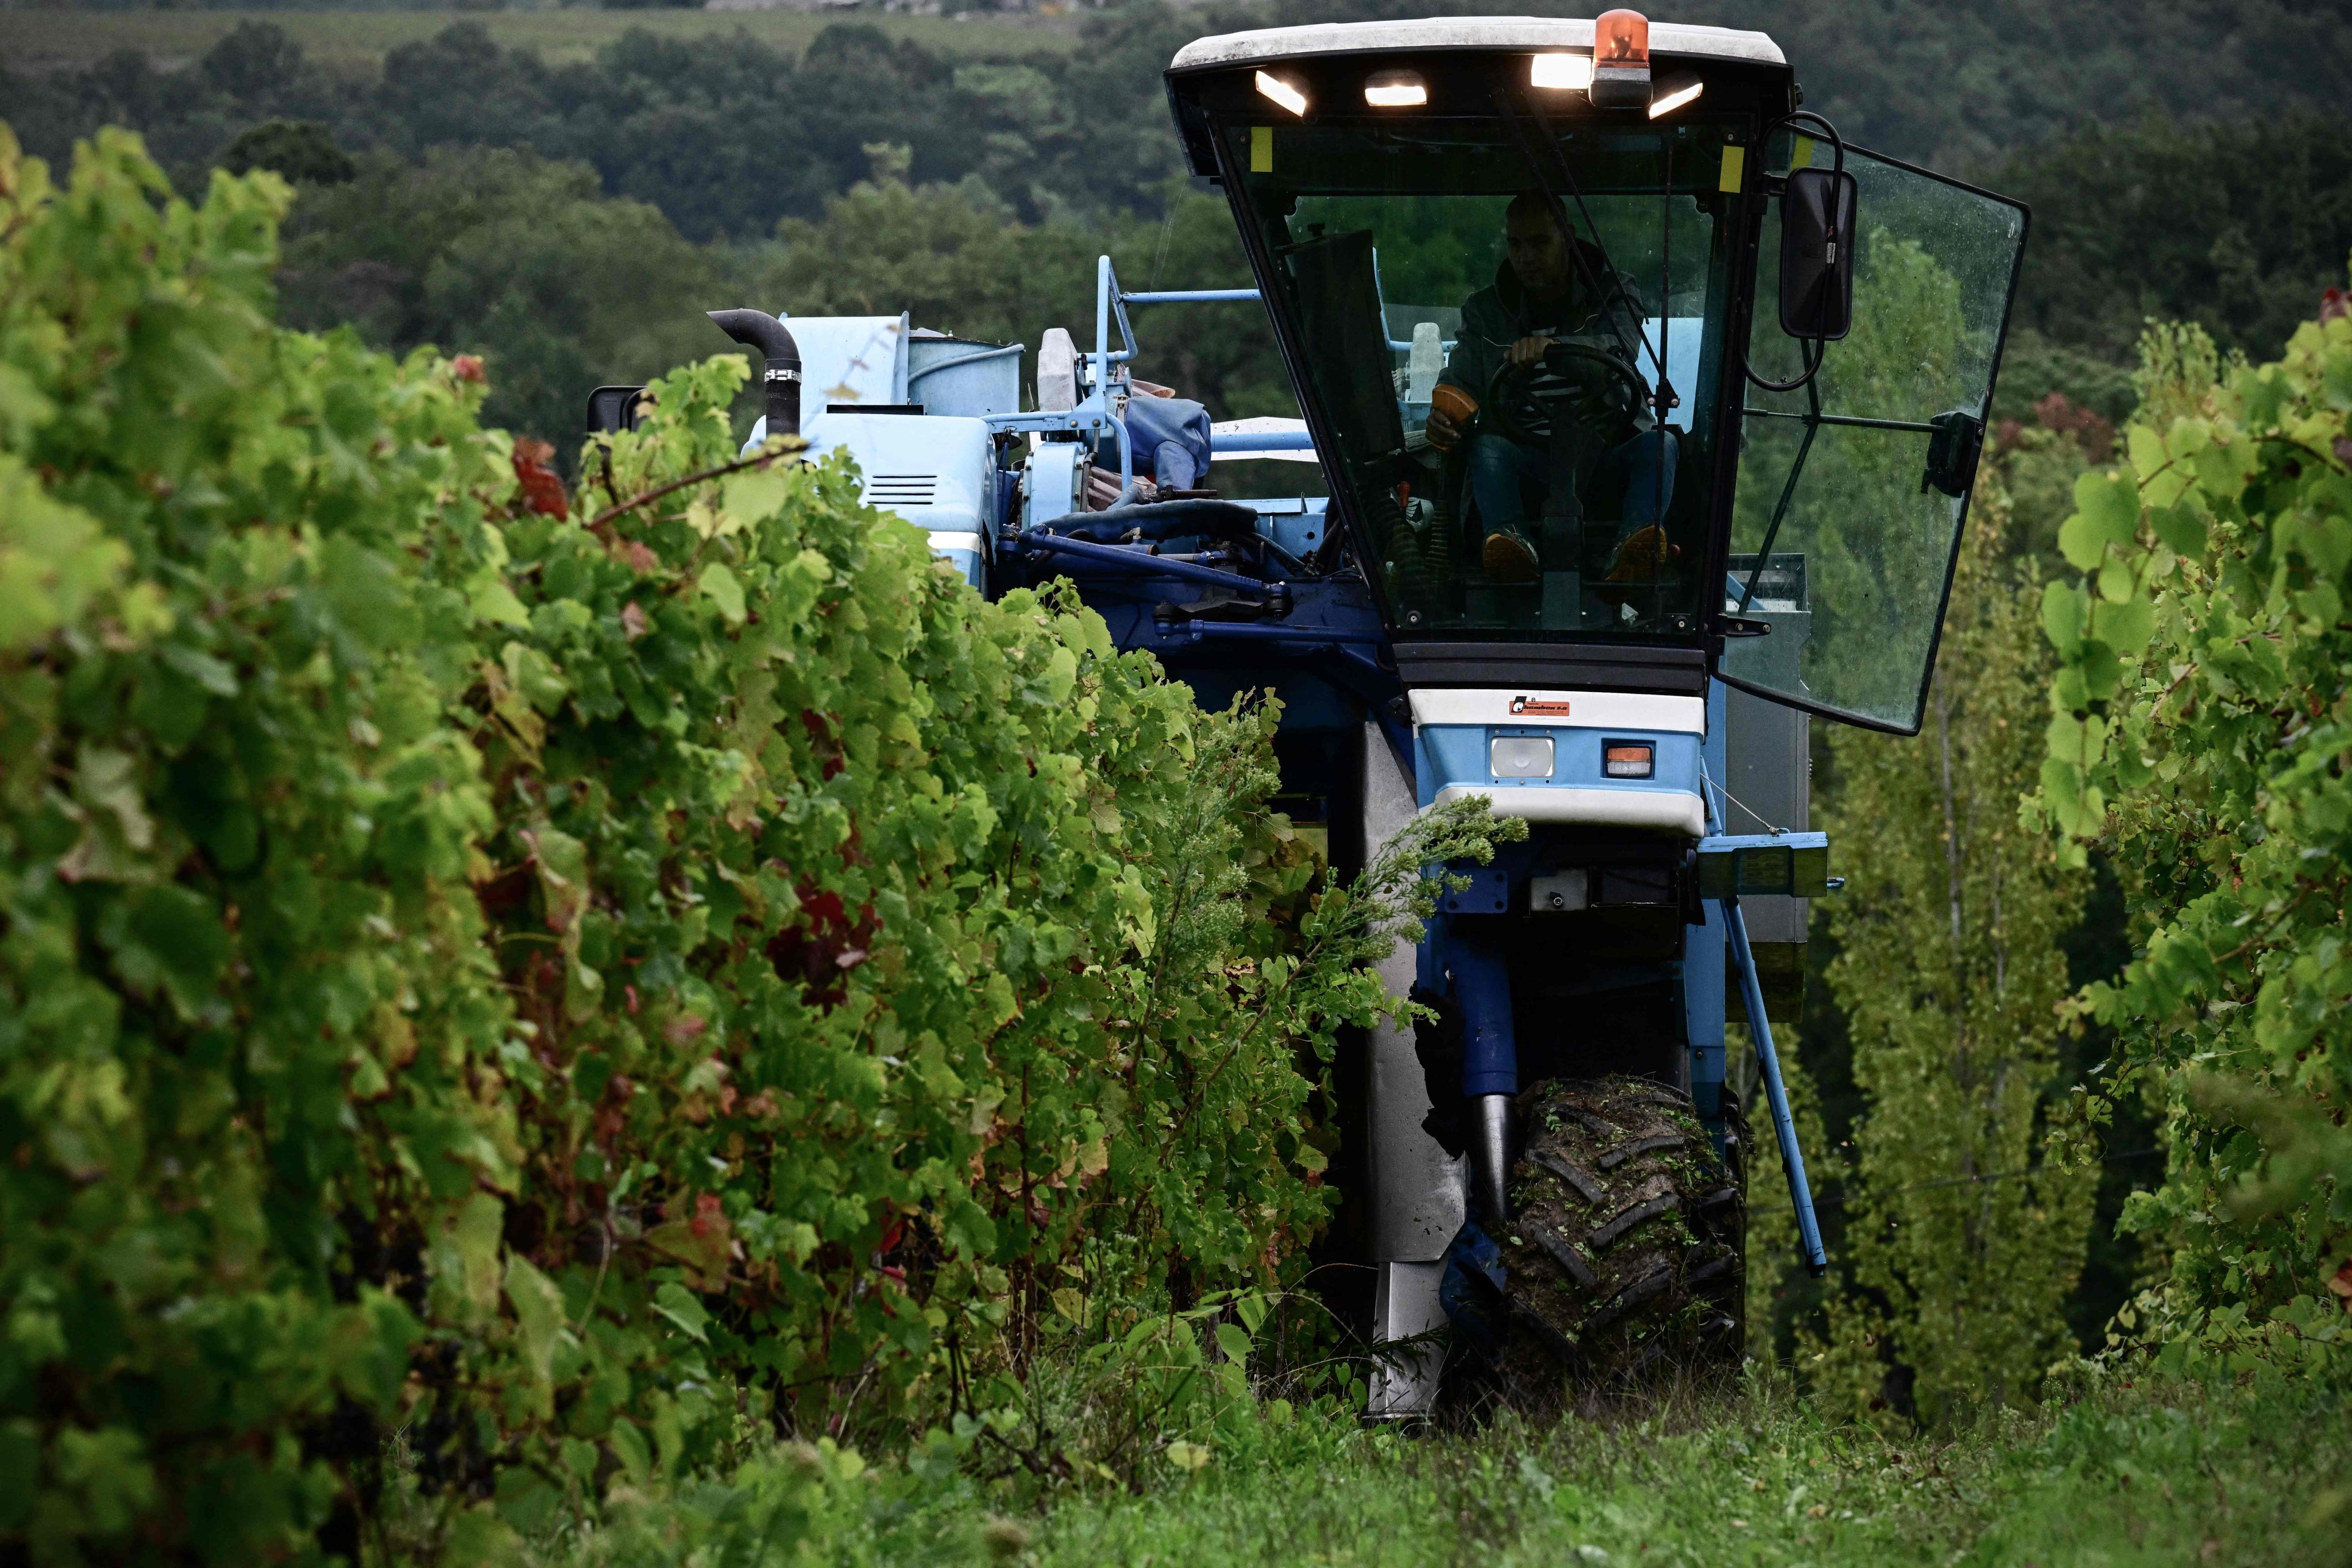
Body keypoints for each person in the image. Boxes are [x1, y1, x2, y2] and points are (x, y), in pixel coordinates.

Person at [1424, 192, 1677, 586]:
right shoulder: (1484, 312)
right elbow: (1459, 378)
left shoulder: (1612, 292)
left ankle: (1635, 550)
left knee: (1660, 446)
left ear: (1568, 237)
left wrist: (1556, 351)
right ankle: (1511, 551)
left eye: (1539, 242)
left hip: (1604, 458)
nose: (1525, 257)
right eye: (1515, 244)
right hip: (1527, 464)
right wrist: (1442, 415)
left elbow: (1620, 349)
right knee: (1486, 450)